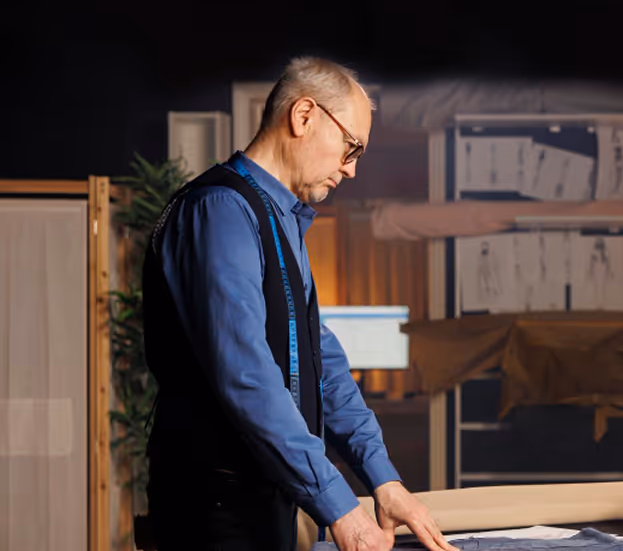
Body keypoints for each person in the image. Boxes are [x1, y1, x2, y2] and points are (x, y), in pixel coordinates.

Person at [143, 57, 456, 551]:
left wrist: (383, 480)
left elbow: (320, 362)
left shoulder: (279, 217)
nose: (351, 169)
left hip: (261, 497)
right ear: (304, 115)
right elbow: (247, 376)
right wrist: (343, 511)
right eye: (351, 147)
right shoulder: (221, 211)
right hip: (213, 504)